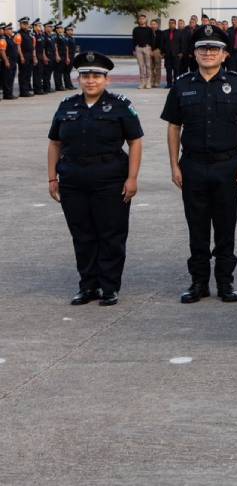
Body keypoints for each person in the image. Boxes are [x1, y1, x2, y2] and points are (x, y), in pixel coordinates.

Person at [160, 25, 237, 304]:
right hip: (193, 166)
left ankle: (225, 282)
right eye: (203, 48)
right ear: (194, 53)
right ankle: (199, 282)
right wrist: (174, 165)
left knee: (226, 227)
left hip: (228, 167)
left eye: (214, 48)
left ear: (225, 55)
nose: (208, 53)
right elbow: (174, 127)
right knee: (197, 227)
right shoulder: (182, 85)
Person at [48, 52, 144, 306]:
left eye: (96, 76)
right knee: (82, 234)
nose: (91, 81)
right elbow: (55, 142)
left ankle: (109, 286)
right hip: (73, 179)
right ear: (79, 79)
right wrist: (52, 178)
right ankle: (88, 285)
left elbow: (135, 142)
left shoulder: (121, 105)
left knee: (111, 233)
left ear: (107, 80)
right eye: (86, 76)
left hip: (110, 179)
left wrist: (132, 178)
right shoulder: (67, 106)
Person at [131, 14, 154, 89]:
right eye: (140, 19)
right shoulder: (135, 29)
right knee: (141, 66)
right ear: (138, 20)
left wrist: (151, 48)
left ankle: (148, 82)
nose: (141, 20)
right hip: (138, 48)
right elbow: (133, 40)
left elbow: (152, 39)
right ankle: (142, 82)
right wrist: (134, 49)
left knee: (148, 65)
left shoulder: (149, 29)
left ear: (146, 20)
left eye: (143, 19)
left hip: (147, 48)